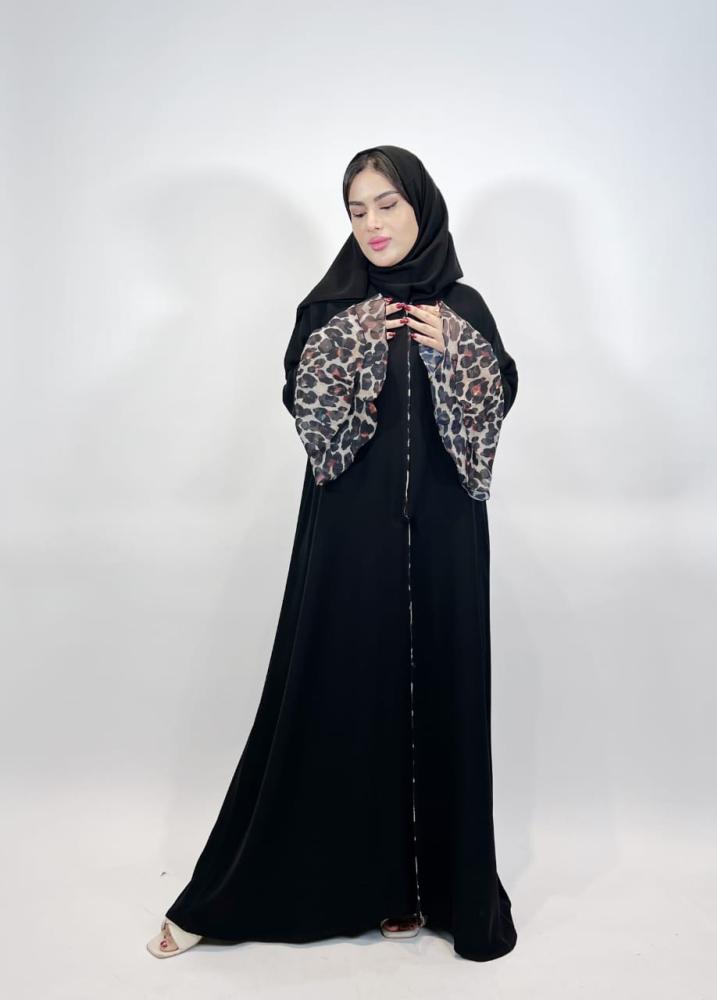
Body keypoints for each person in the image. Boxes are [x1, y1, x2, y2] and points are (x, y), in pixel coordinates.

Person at [147, 144, 519, 962]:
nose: (373, 225)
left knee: (444, 688)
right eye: (357, 210)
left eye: (388, 204)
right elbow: (307, 413)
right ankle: (278, 888)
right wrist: (348, 337)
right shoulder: (331, 306)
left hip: (448, 536)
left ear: (421, 206)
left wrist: (459, 348)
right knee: (341, 688)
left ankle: (422, 892)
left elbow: (496, 408)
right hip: (351, 533)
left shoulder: (464, 306)